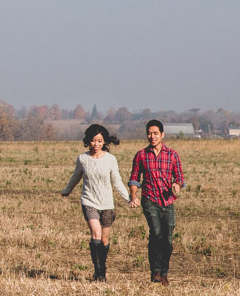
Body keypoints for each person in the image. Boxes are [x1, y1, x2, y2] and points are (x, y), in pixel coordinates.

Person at [61, 123, 130, 282]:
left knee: (104, 240)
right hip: (89, 201)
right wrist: (67, 190)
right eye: (93, 141)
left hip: (107, 204)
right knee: (96, 234)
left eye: (99, 141)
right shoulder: (83, 159)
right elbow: (75, 177)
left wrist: (129, 198)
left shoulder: (111, 160)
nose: (96, 144)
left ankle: (102, 269)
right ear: (88, 141)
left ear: (104, 142)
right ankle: (98, 272)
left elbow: (117, 181)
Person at [128, 119, 184, 286]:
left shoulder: (172, 155)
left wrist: (177, 185)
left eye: (155, 133)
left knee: (167, 237)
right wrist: (133, 195)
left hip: (167, 200)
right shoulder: (141, 155)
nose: (152, 136)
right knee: (156, 232)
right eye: (149, 133)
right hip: (150, 199)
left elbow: (179, 177)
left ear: (162, 135)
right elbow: (134, 178)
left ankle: (164, 272)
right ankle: (155, 271)